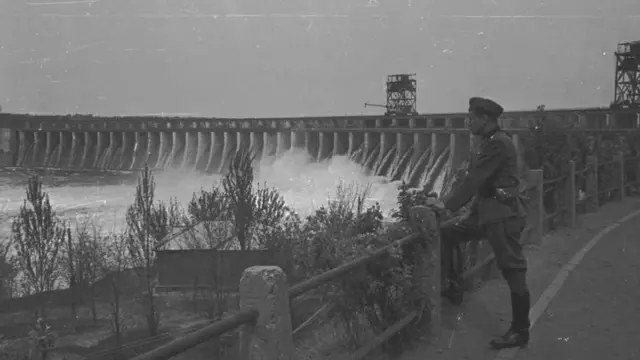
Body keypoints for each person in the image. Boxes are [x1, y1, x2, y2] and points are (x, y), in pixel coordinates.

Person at [426, 97, 531, 350]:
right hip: (484, 215)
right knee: (447, 234)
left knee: (512, 269)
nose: (468, 121)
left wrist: (445, 205)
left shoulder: (498, 144)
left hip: (502, 217)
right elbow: (480, 183)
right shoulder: (489, 142)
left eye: (472, 117)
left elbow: (474, 181)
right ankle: (453, 286)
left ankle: (520, 330)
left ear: (486, 119)